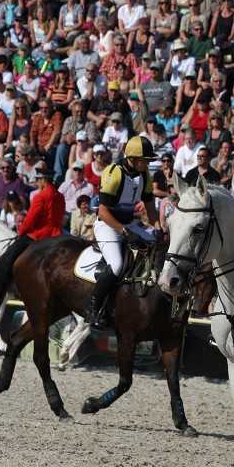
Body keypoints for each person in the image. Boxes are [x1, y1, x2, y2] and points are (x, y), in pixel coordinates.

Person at [85, 136, 160, 326]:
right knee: (117, 264)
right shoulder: (114, 173)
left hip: (129, 224)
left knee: (157, 248)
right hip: (108, 225)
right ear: (132, 159)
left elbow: (150, 207)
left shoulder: (144, 175)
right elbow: (103, 211)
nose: (148, 163)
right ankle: (92, 308)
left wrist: (158, 227)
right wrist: (125, 232)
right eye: (145, 160)